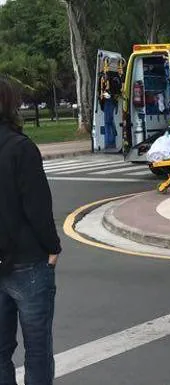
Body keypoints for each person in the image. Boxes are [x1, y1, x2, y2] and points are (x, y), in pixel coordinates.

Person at [0, 76, 61, 385]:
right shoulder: (20, 148)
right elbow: (37, 207)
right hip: (28, 261)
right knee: (37, 350)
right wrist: (53, 248)